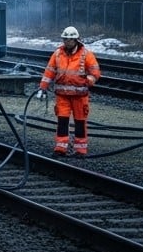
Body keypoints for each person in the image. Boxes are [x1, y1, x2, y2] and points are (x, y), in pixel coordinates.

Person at [36, 26, 101, 157]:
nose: (67, 42)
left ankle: (80, 149)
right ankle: (60, 147)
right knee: (62, 121)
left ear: (76, 40)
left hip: (79, 95)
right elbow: (49, 71)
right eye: (65, 39)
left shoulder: (86, 55)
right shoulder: (58, 54)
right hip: (62, 95)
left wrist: (88, 80)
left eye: (70, 39)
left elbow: (95, 72)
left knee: (80, 122)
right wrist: (43, 87)